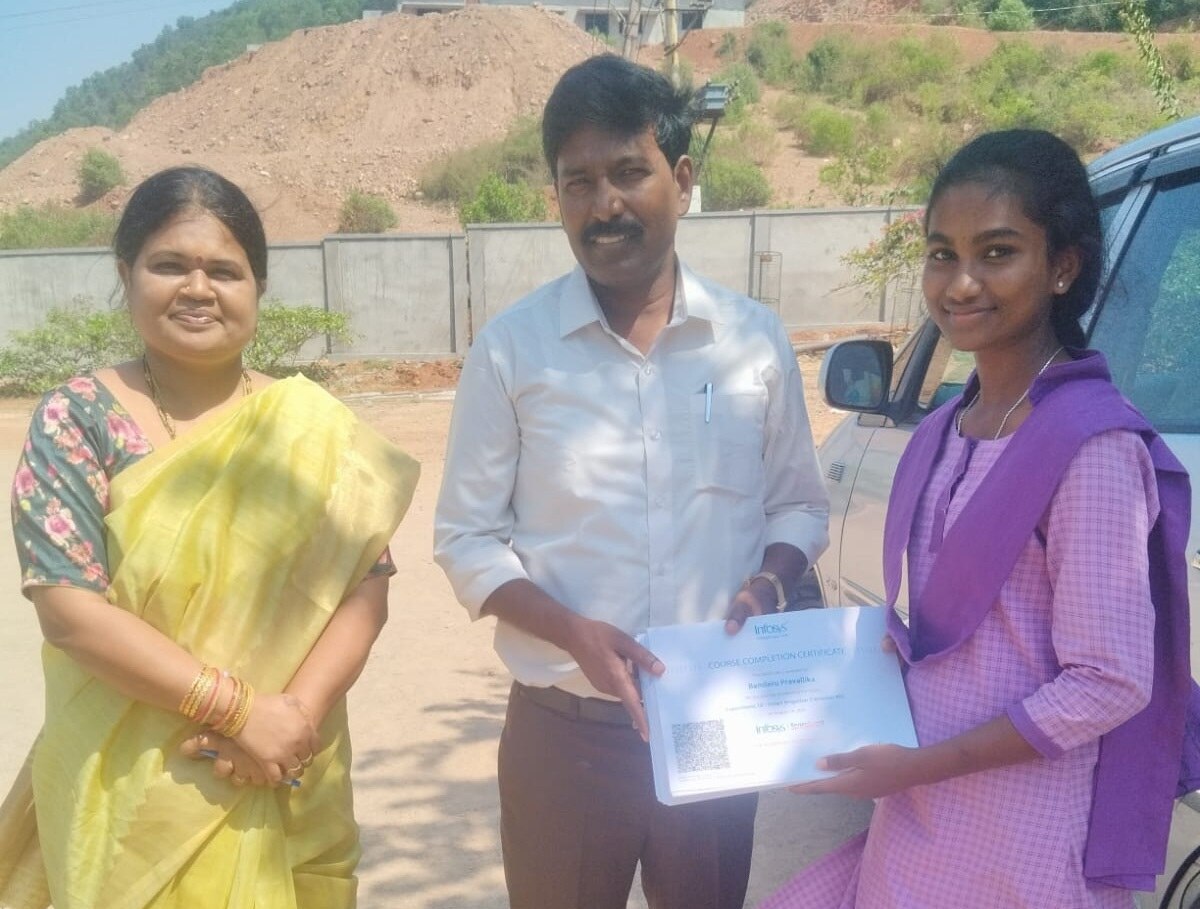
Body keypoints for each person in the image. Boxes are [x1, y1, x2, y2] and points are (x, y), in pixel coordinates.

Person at [760, 130, 1196, 909]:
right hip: (917, 815)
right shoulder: (944, 429)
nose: (960, 283)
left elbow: (1109, 681)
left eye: (997, 253)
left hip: (1020, 838)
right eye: (940, 254)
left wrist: (922, 764)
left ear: (1063, 265)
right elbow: (943, 639)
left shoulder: (1090, 447)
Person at [433, 54, 830, 909]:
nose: (604, 204)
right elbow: (464, 535)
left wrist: (772, 579)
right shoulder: (512, 350)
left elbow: (798, 502)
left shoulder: (753, 341)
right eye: (577, 182)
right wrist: (571, 629)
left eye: (627, 173)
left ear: (681, 179)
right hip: (563, 740)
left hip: (715, 727)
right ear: (555, 199)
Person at [0, 166, 419, 909]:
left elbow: (368, 584)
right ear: (126, 275)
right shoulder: (78, 421)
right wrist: (238, 712)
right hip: (130, 794)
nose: (199, 287)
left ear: (257, 288)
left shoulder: (311, 426)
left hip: (288, 766)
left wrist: (291, 721)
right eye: (170, 265)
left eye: (224, 270)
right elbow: (68, 610)